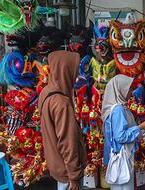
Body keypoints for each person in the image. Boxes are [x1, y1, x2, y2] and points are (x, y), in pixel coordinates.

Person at [38, 50, 86, 190]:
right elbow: (67, 142)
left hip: (58, 165)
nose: (76, 75)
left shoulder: (46, 92)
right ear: (65, 70)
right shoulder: (61, 102)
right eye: (74, 70)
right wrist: (74, 176)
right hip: (67, 171)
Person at [101, 74, 145, 190]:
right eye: (130, 88)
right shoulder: (118, 110)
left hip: (121, 156)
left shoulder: (120, 107)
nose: (132, 91)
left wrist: (141, 126)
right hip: (121, 157)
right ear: (121, 89)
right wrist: (140, 127)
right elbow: (120, 136)